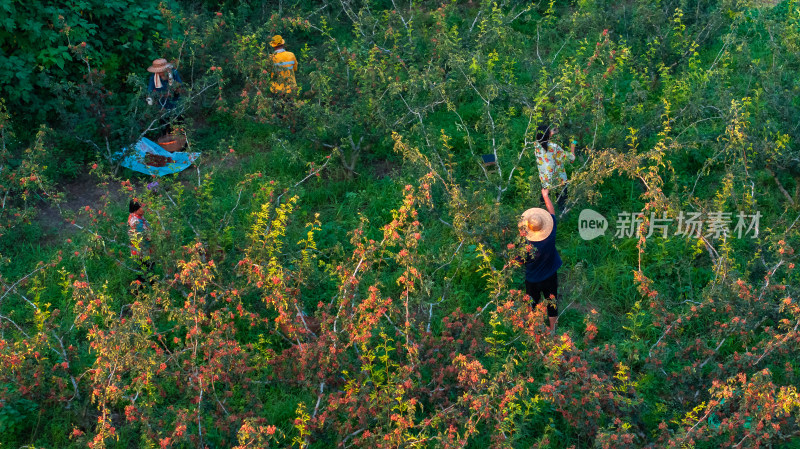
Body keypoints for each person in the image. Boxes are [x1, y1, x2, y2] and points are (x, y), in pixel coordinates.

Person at [518, 189, 562, 333]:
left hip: (533, 280)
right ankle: (553, 331)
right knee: (552, 302)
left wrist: (521, 236)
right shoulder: (551, 233)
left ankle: (533, 331)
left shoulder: (525, 246)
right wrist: (545, 196)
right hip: (550, 275)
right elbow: (552, 214)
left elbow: (519, 261)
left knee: (532, 304)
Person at [534, 124, 576, 211]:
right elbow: (571, 158)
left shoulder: (536, 146)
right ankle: (562, 219)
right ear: (547, 134)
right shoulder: (554, 147)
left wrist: (550, 133)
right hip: (559, 181)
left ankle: (542, 219)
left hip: (545, 181)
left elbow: (542, 141)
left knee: (543, 204)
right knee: (562, 204)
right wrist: (573, 145)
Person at [146, 58, 183, 136]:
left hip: (175, 103)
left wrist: (175, 90)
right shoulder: (153, 78)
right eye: (158, 71)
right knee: (164, 126)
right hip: (162, 105)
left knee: (179, 124)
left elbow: (180, 87)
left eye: (161, 70)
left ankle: (182, 144)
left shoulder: (174, 73)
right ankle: (168, 143)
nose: (160, 73)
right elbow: (150, 92)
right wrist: (150, 102)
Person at [269, 35, 298, 126]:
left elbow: (269, 71)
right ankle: (292, 127)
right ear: (283, 44)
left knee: (279, 111)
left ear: (273, 46)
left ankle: (280, 128)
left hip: (277, 89)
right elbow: (295, 68)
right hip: (290, 88)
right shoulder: (291, 55)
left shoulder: (271, 58)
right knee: (291, 110)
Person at [128, 200, 154, 286]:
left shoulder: (137, 217)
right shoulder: (136, 221)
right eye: (141, 207)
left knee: (144, 269)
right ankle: (143, 288)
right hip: (142, 251)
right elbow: (146, 237)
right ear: (135, 210)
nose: (144, 208)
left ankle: (146, 286)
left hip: (141, 249)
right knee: (145, 270)